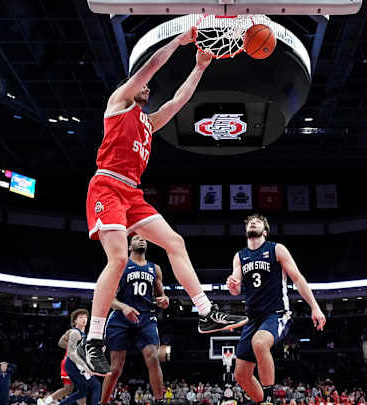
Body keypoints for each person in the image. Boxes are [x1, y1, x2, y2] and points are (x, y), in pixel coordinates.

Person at [79, 26, 247, 375]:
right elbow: (151, 66)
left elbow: (179, 102)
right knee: (119, 257)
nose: (148, 86)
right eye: (141, 83)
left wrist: (200, 67)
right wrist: (179, 41)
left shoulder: (148, 123)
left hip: (133, 194)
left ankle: (205, 313)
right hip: (107, 185)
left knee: (175, 242)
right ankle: (93, 339)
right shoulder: (119, 103)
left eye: (148, 88)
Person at [226, 214, 326, 405]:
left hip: (276, 313)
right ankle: (262, 400)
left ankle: (269, 399)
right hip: (252, 318)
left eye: (257, 221)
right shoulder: (239, 256)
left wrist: (315, 307)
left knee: (260, 343)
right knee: (241, 375)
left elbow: (297, 278)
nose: (252, 222)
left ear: (265, 231)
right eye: (249, 222)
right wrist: (232, 285)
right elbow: (236, 288)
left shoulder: (276, 249)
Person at [101, 236, 169, 404]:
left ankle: (159, 400)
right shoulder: (120, 265)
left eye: (144, 239)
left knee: (153, 357)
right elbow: (108, 297)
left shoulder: (155, 268)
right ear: (129, 247)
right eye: (136, 238)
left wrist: (164, 300)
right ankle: (102, 402)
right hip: (120, 318)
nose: (141, 240)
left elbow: (160, 296)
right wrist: (123, 307)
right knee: (116, 368)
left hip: (145, 317)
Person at [38, 309, 90, 405]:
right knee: (82, 386)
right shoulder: (72, 331)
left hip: (77, 363)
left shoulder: (85, 334)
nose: (84, 319)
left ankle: (45, 402)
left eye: (85, 317)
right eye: (81, 317)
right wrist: (74, 348)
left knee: (68, 389)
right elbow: (61, 343)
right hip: (70, 361)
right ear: (75, 321)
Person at [60, 328, 102, 405]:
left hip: (72, 365)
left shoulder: (84, 337)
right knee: (96, 386)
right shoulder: (75, 333)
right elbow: (61, 343)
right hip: (75, 365)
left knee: (83, 392)